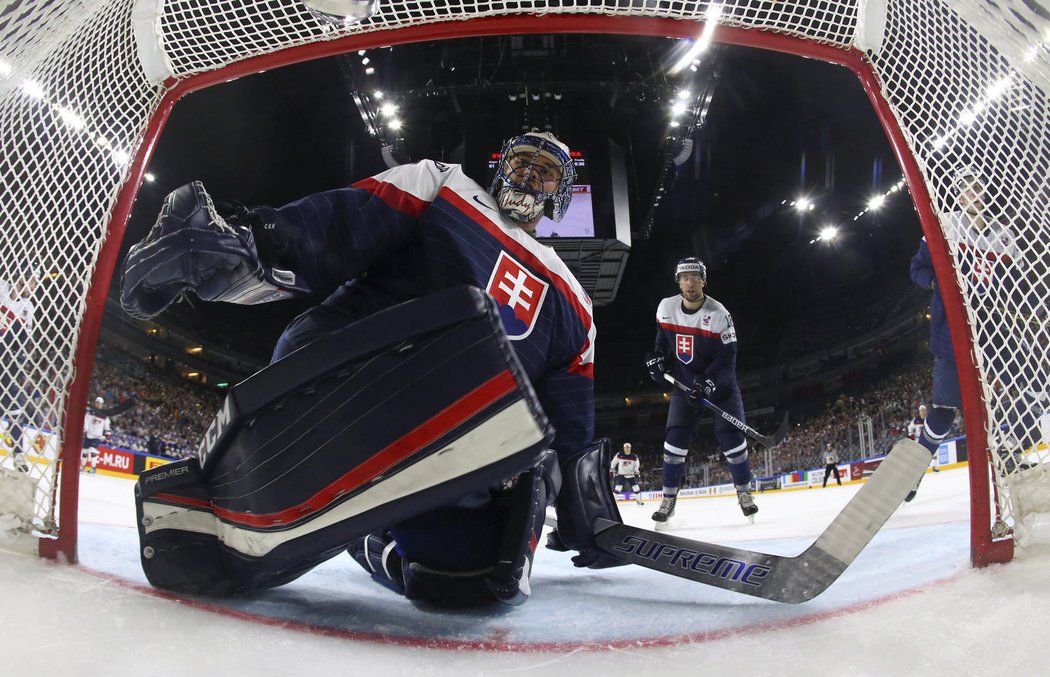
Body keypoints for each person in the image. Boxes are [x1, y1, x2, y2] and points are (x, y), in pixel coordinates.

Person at [120, 130, 624, 605]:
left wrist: (589, 516)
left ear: (563, 195)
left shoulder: (577, 304)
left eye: (547, 173)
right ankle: (321, 480)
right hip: (360, 369)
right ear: (499, 168)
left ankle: (364, 530)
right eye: (521, 162)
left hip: (452, 446)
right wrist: (250, 238)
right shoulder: (445, 183)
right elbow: (342, 221)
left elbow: (569, 426)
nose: (529, 176)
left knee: (465, 579)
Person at [907, 166, 1018, 501]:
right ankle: (914, 473)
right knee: (942, 410)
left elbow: (1017, 281)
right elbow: (917, 268)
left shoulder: (1004, 234)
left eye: (977, 187)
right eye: (966, 188)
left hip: (994, 331)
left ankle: (1012, 450)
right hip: (952, 333)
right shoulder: (944, 226)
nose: (973, 193)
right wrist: (936, 281)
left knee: (1023, 389)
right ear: (957, 193)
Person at [644, 257, 757, 522]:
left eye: (695, 277)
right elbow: (662, 342)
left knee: (730, 437)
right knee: (674, 441)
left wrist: (709, 381)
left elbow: (728, 360)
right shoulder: (666, 308)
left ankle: (744, 493)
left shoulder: (719, 314)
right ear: (678, 282)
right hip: (685, 386)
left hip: (720, 388)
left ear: (703, 281)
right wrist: (657, 359)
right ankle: (668, 499)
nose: (690, 282)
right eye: (684, 278)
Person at [0, 262, 39, 474]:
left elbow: (25, 341)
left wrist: (20, 362)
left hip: (6, 363)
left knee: (16, 405)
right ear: (21, 276)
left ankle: (18, 454)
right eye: (32, 280)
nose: (34, 286)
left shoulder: (27, 308)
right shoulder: (1, 287)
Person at [81, 397, 112, 473]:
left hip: (97, 436)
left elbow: (107, 425)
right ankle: (83, 467)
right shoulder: (90, 412)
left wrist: (108, 433)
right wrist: (84, 430)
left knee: (93, 450)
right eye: (97, 403)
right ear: (95, 403)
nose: (98, 405)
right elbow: (86, 421)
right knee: (84, 451)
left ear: (102, 405)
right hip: (88, 434)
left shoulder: (104, 415)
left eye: (100, 403)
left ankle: (93, 468)